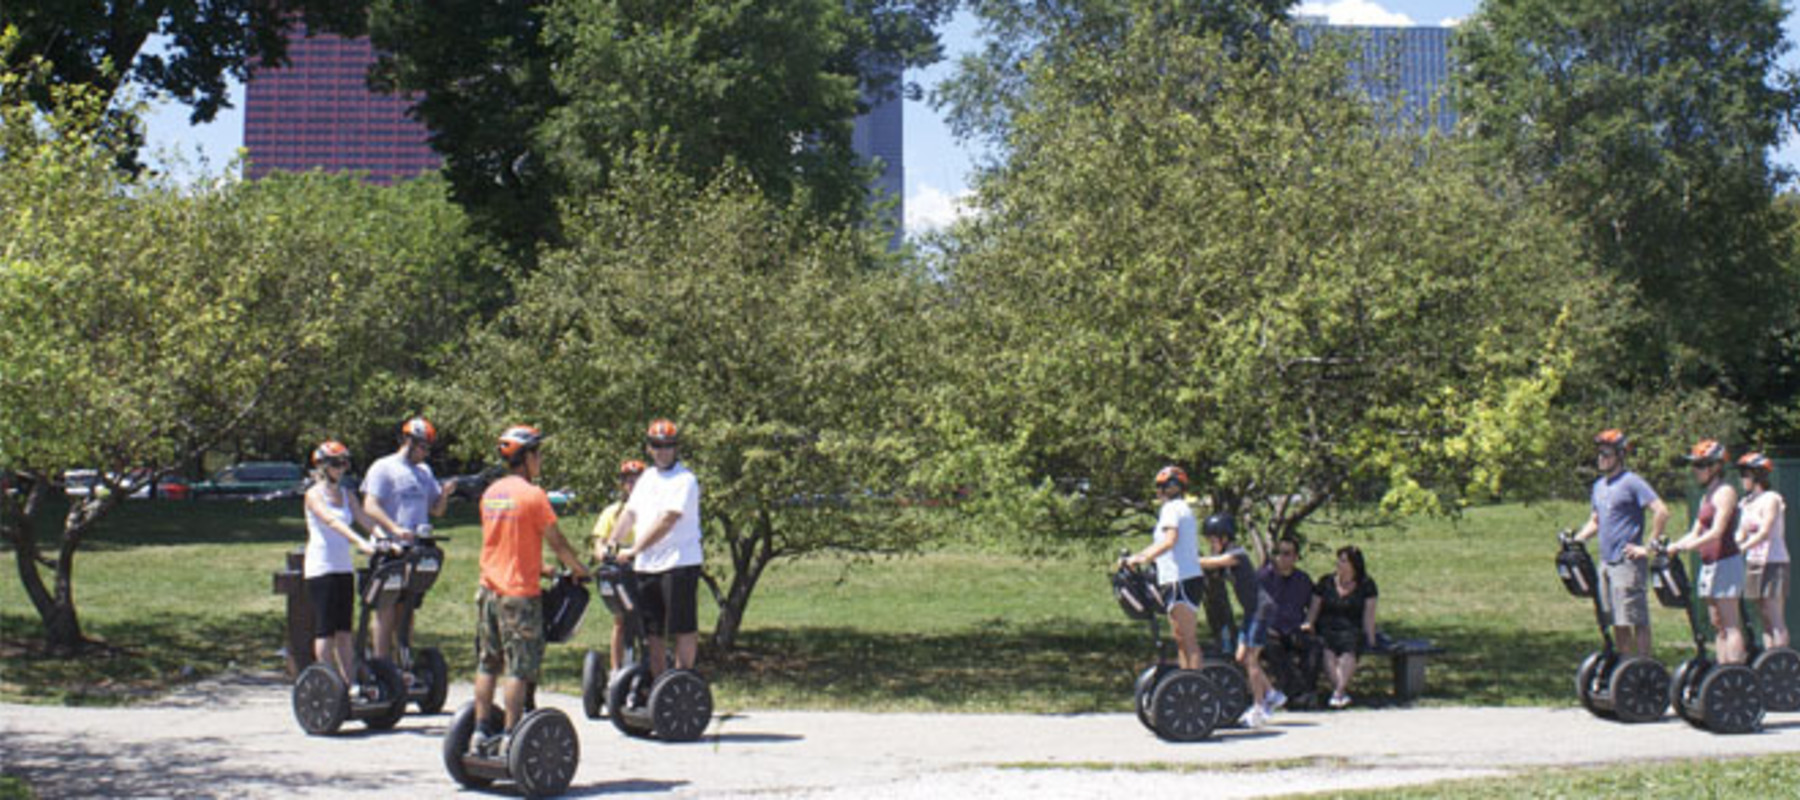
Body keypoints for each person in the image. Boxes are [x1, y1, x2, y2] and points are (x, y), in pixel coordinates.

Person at [471, 424, 591, 756]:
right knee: (519, 669)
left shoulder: (491, 494)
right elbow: (558, 541)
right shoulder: (533, 496)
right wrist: (579, 570)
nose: (540, 460)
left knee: (487, 663)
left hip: (487, 591)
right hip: (518, 596)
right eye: (537, 454)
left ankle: (480, 732)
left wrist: (542, 569)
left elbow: (503, 544)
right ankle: (511, 735)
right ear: (525, 458)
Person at [361, 417, 459, 662]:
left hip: (416, 550)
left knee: (407, 609)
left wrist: (445, 494)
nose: (426, 452)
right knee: (385, 608)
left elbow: (436, 510)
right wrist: (394, 528)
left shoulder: (425, 472)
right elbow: (369, 505)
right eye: (422, 446)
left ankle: (403, 658)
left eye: (428, 447)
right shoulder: (383, 467)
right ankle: (381, 662)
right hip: (390, 548)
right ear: (407, 441)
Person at [614, 419, 704, 678]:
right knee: (653, 630)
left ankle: (683, 679)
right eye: (657, 445)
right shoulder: (647, 479)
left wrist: (633, 550)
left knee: (682, 627)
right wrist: (611, 542)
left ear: (676, 448)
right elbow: (630, 513)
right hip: (647, 566)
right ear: (649, 448)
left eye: (668, 445)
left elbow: (668, 520)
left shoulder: (684, 480)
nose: (662, 450)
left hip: (679, 563)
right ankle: (658, 684)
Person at [1570, 429, 1669, 660]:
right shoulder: (1599, 486)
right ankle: (1627, 667)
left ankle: (1644, 665)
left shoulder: (1632, 482)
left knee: (1635, 617)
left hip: (1628, 562)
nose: (1601, 458)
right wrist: (1577, 539)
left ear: (1619, 455)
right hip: (1606, 562)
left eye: (1607, 453)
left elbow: (1662, 511)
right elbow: (1596, 521)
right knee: (1615, 619)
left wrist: (1648, 547)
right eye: (1599, 453)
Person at [301, 441, 384, 693]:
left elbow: (364, 518)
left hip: (343, 568)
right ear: (323, 466)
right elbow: (331, 522)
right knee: (325, 630)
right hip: (321, 567)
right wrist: (360, 542)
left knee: (345, 631)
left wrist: (383, 537)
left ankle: (350, 685)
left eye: (345, 462)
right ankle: (328, 684)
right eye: (337, 463)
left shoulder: (347, 494)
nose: (342, 468)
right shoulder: (314, 495)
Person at [1667, 440, 1748, 664]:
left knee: (1730, 623)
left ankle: (1736, 672)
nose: (1695, 471)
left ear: (1716, 466)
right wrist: (1674, 545)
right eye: (1694, 466)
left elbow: (1717, 531)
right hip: (1710, 564)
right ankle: (1723, 672)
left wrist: (1688, 547)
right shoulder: (1706, 496)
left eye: (1700, 465)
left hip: (1726, 561)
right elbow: (1695, 531)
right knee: (1717, 623)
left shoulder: (1726, 492)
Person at [1199, 511, 1277, 728]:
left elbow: (1214, 562)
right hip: (1252, 611)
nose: (1211, 544)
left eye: (1213, 539)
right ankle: (1271, 692)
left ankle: (1259, 707)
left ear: (1224, 538)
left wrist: (1190, 560)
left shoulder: (1237, 554)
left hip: (1261, 609)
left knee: (1252, 658)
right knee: (1241, 656)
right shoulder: (1228, 557)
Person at [1122, 466, 1204, 670]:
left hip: (1181, 578)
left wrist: (1141, 558)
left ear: (1173, 487)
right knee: (1180, 637)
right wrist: (1141, 556)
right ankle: (1185, 681)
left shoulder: (1172, 509)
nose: (1158, 491)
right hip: (1176, 578)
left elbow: (1169, 540)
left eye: (1161, 486)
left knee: (1187, 638)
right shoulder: (1178, 508)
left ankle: (1196, 685)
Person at [1303, 545, 1378, 709]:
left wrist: (1371, 637)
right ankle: (1340, 692)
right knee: (1327, 648)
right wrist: (1309, 624)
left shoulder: (1366, 585)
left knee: (1349, 648)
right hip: (1328, 627)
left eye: (1344, 561)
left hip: (1352, 628)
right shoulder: (1325, 582)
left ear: (1354, 564)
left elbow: (1368, 615)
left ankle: (1337, 692)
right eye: (1339, 560)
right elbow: (1314, 609)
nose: (1339, 564)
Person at [592, 459, 647, 674]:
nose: (632, 484)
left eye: (637, 480)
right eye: (628, 480)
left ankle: (649, 666)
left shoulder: (652, 511)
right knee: (621, 619)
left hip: (645, 572)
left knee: (648, 622)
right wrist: (603, 554)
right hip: (622, 575)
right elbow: (599, 543)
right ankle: (616, 671)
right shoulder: (612, 512)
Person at [1259, 536, 1320, 709]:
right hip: (1270, 631)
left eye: (1287, 554)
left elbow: (1313, 605)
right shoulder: (1263, 578)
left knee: (1314, 646)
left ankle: (1308, 692)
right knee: (1274, 649)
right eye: (1277, 553)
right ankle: (1294, 694)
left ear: (1295, 557)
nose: (1281, 558)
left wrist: (1309, 622)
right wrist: (1265, 627)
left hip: (1295, 628)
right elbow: (1253, 607)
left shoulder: (1303, 579)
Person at [1737, 452, 1788, 650]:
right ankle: (1768, 659)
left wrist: (1741, 547)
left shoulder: (1772, 499)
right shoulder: (1746, 503)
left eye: (1745, 474)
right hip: (1754, 562)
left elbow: (1765, 531)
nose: (1742, 479)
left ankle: (1782, 659)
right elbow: (1740, 533)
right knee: (1763, 615)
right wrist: (1732, 547)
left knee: (1774, 614)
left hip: (1773, 561)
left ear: (1758, 475)